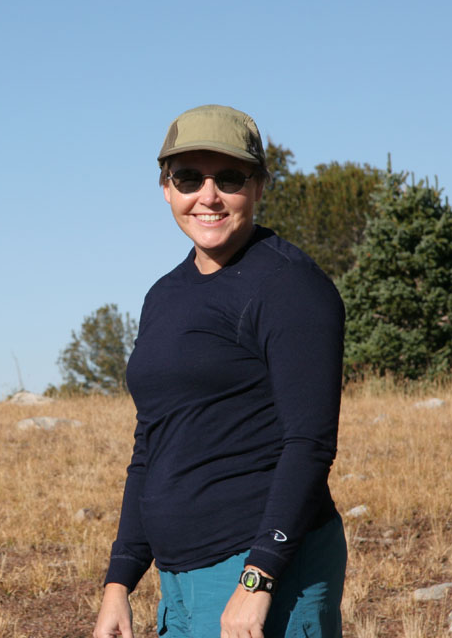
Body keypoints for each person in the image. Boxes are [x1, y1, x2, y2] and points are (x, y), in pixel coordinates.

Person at [93, 105, 346, 638]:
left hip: (258, 574)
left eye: (229, 178)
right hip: (179, 578)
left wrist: (258, 581)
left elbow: (310, 443)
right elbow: (153, 440)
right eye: (189, 177)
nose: (207, 196)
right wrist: (121, 579)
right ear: (166, 187)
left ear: (258, 188)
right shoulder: (163, 296)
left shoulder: (290, 287)